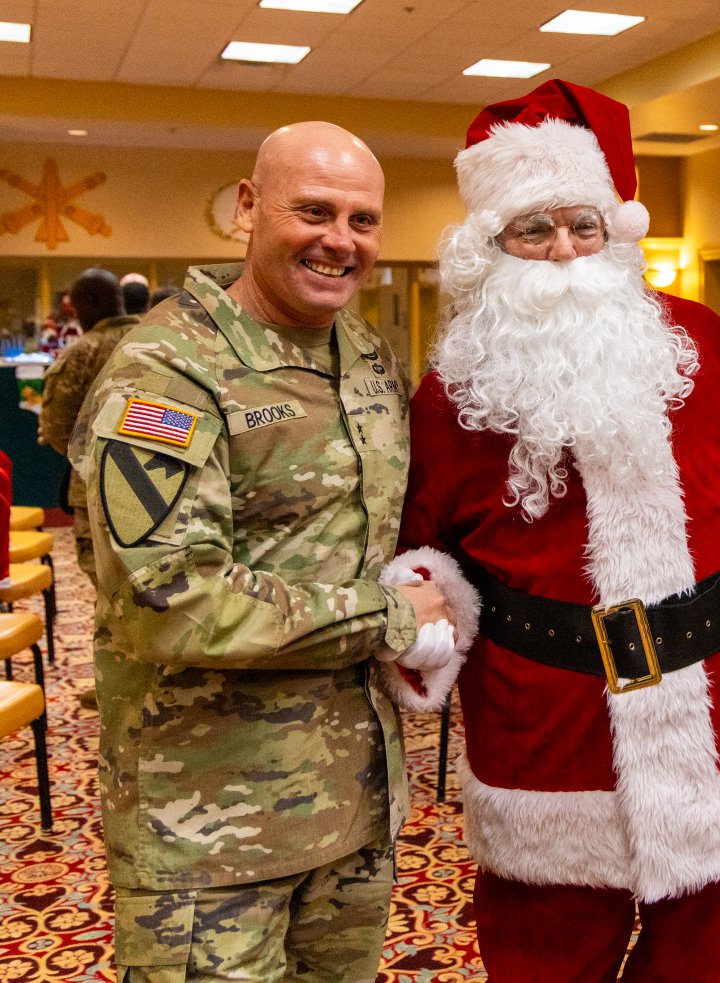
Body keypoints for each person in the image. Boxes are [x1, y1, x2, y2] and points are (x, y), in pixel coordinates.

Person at [395, 79, 720, 983]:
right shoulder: (451, 392)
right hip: (542, 736)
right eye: (532, 230)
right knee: (544, 961)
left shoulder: (705, 345)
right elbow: (419, 546)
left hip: (712, 724)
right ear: (489, 249)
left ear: (618, 233)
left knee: (712, 959)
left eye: (583, 225)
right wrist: (422, 612)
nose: (562, 251)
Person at [69, 120, 463, 983]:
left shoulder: (365, 356)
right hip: (207, 831)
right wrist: (390, 616)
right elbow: (169, 598)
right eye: (313, 211)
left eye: (363, 220)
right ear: (248, 207)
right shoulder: (168, 372)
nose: (339, 241)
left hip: (352, 809)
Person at [39, 267, 140, 585]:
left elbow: (57, 429)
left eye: (76, 307)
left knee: (108, 587)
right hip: (168, 484)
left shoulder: (81, 354)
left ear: (89, 303)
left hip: (98, 491)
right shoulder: (163, 338)